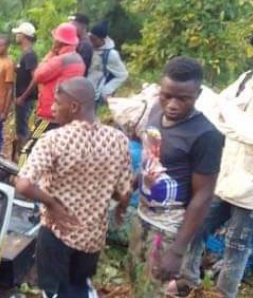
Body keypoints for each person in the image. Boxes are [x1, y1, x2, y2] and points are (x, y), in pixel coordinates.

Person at [175, 26, 253, 298]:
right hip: (223, 175)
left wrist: (230, 120)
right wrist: (238, 126)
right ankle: (186, 282)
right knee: (194, 226)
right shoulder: (248, 78)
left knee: (237, 248)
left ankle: (223, 294)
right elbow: (212, 111)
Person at [16, 77, 133, 298]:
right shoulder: (118, 140)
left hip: (56, 233)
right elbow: (123, 192)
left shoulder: (53, 140)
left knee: (55, 293)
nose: (52, 108)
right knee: (80, 286)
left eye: (57, 103)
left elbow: (23, 184)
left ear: (73, 107)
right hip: (92, 238)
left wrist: (51, 203)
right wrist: (117, 207)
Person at [127, 57, 224, 297]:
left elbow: (204, 194)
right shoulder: (155, 112)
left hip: (169, 227)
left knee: (152, 290)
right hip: (143, 214)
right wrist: (130, 188)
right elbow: (151, 158)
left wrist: (178, 250)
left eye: (183, 99)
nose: (172, 104)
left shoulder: (206, 135)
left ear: (198, 94)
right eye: (167, 95)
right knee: (135, 277)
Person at [18, 23, 85, 167]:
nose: (53, 41)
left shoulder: (60, 60)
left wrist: (51, 53)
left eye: (55, 38)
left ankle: (21, 178)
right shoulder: (78, 60)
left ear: (60, 41)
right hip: (66, 116)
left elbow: (38, 74)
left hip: (49, 116)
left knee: (27, 150)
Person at [12, 22, 39, 156]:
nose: (16, 36)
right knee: (21, 129)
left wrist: (23, 97)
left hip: (25, 99)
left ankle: (26, 157)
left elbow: (35, 78)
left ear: (24, 36)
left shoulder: (29, 55)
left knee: (23, 130)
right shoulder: (25, 54)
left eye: (18, 34)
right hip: (23, 98)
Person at [87, 21, 128, 103]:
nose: (91, 42)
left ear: (102, 39)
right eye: (90, 38)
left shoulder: (111, 55)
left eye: (94, 39)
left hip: (96, 93)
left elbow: (122, 75)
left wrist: (106, 90)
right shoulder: (88, 45)